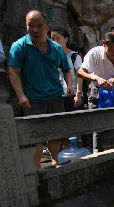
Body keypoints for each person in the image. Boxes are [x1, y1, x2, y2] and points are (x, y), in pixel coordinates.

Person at [9, 10, 73, 168]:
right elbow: (13, 72)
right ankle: (36, 170)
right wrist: (20, 95)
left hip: (55, 96)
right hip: (33, 100)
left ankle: (55, 162)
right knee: (36, 137)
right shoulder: (19, 47)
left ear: (47, 27)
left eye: (39, 26)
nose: (35, 30)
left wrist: (69, 85)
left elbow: (67, 69)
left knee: (55, 134)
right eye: (30, 25)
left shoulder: (56, 48)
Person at [78, 31, 114, 151]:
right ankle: (97, 151)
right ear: (104, 44)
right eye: (111, 50)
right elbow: (81, 71)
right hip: (98, 89)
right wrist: (97, 78)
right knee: (97, 123)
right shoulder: (94, 53)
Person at [50, 27, 85, 112]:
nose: (55, 41)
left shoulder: (74, 56)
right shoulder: (49, 57)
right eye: (52, 39)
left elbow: (79, 76)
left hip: (72, 95)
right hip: (57, 97)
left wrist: (78, 94)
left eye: (58, 39)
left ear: (66, 39)